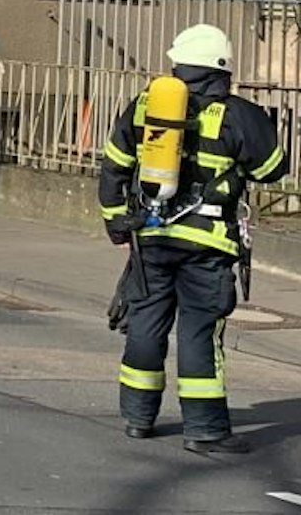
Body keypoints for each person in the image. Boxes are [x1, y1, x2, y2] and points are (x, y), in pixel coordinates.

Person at [99, 23, 289, 454]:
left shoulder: (146, 107)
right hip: (208, 245)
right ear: (222, 68)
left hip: (150, 238)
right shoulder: (239, 114)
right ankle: (205, 430)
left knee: (145, 325)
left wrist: (115, 222)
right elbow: (272, 170)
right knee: (200, 331)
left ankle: (137, 417)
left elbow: (114, 165)